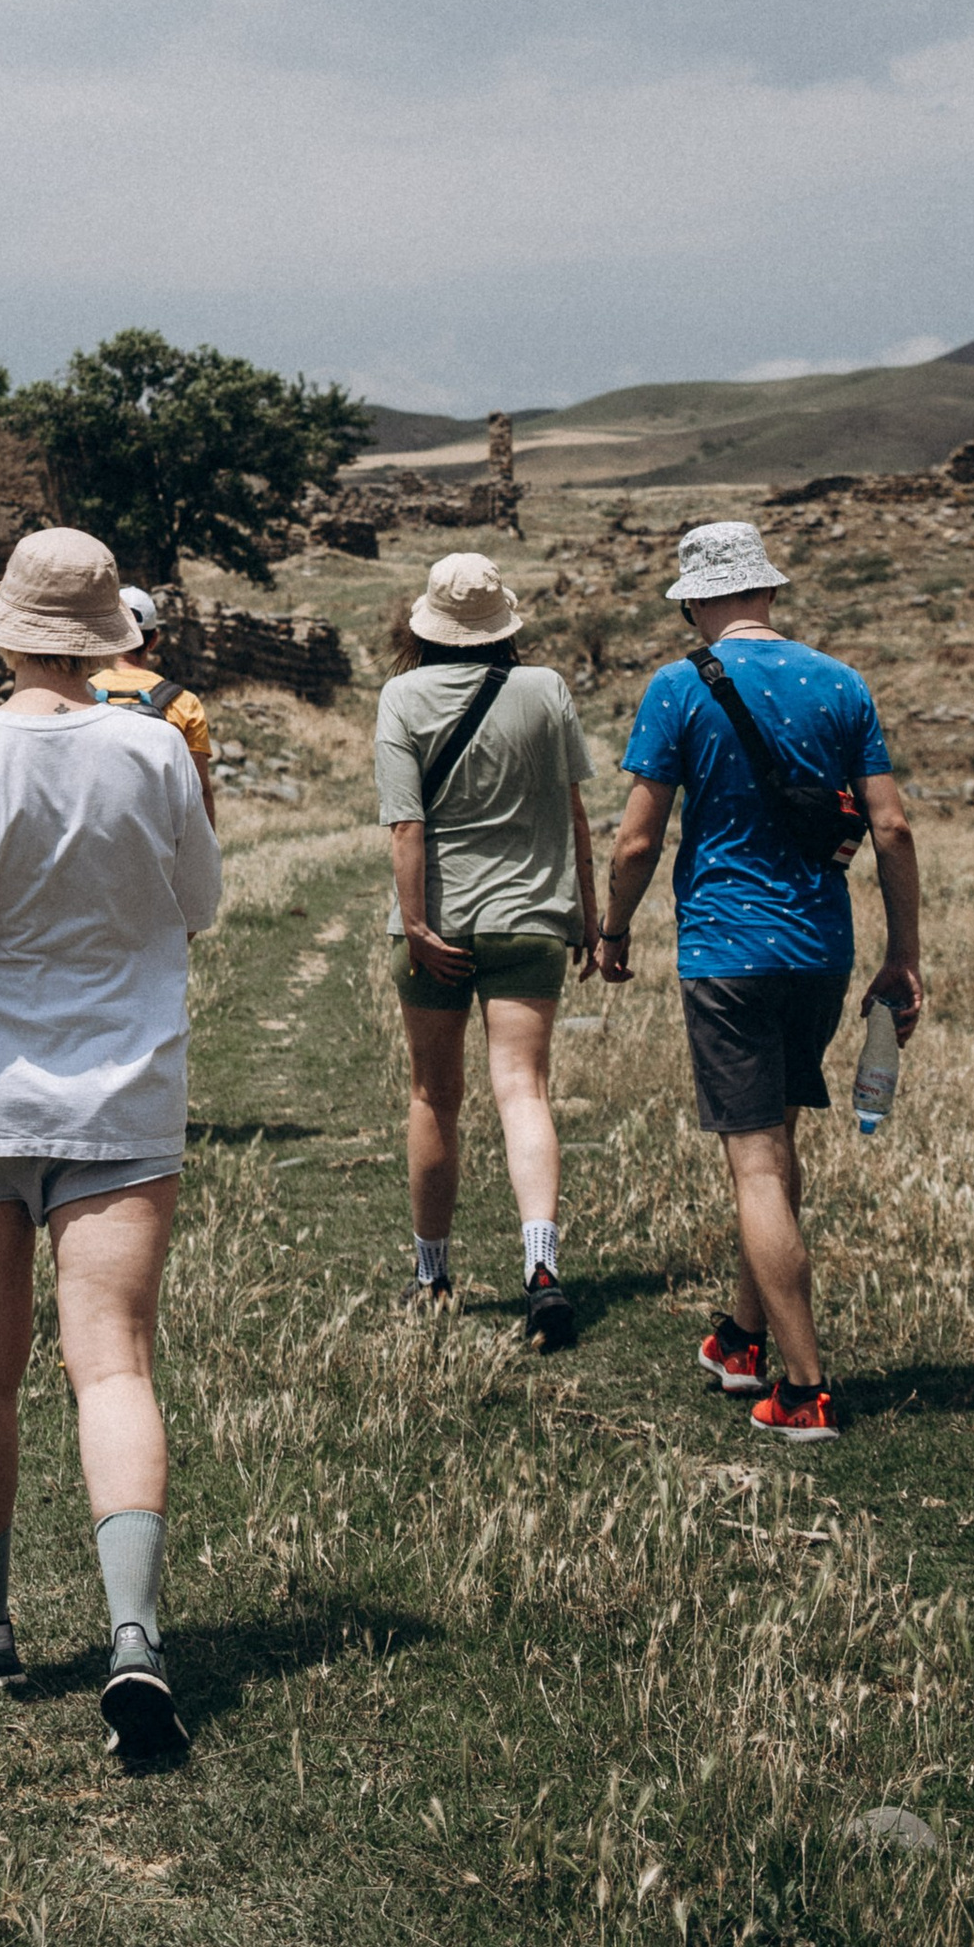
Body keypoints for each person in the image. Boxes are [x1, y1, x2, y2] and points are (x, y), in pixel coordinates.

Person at [0, 527, 222, 1764]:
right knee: (111, 1367)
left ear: (3, 635)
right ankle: (135, 1637)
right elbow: (198, 904)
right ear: (106, 636)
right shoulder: (156, 748)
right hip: (122, 1097)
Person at [598, 519, 923, 1443]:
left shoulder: (677, 687)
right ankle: (742, 1340)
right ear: (768, 590)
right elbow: (892, 828)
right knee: (776, 1146)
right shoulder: (842, 682)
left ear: (695, 603)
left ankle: (806, 1389)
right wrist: (904, 955)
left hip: (727, 952)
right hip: (821, 951)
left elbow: (636, 840)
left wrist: (613, 929)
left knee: (753, 1165)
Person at [377, 551, 598, 1352]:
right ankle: (541, 1266)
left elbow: (407, 826)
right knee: (523, 1090)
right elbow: (575, 813)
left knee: (434, 1096)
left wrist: (416, 925)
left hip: (438, 923)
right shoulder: (545, 689)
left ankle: (432, 1274)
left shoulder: (402, 696)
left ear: (428, 625)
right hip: (532, 916)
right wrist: (591, 916)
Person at [90, 589, 217, 816]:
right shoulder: (185, 703)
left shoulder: (80, 695)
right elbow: (198, 791)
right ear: (154, 640)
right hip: (157, 834)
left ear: (106, 635)